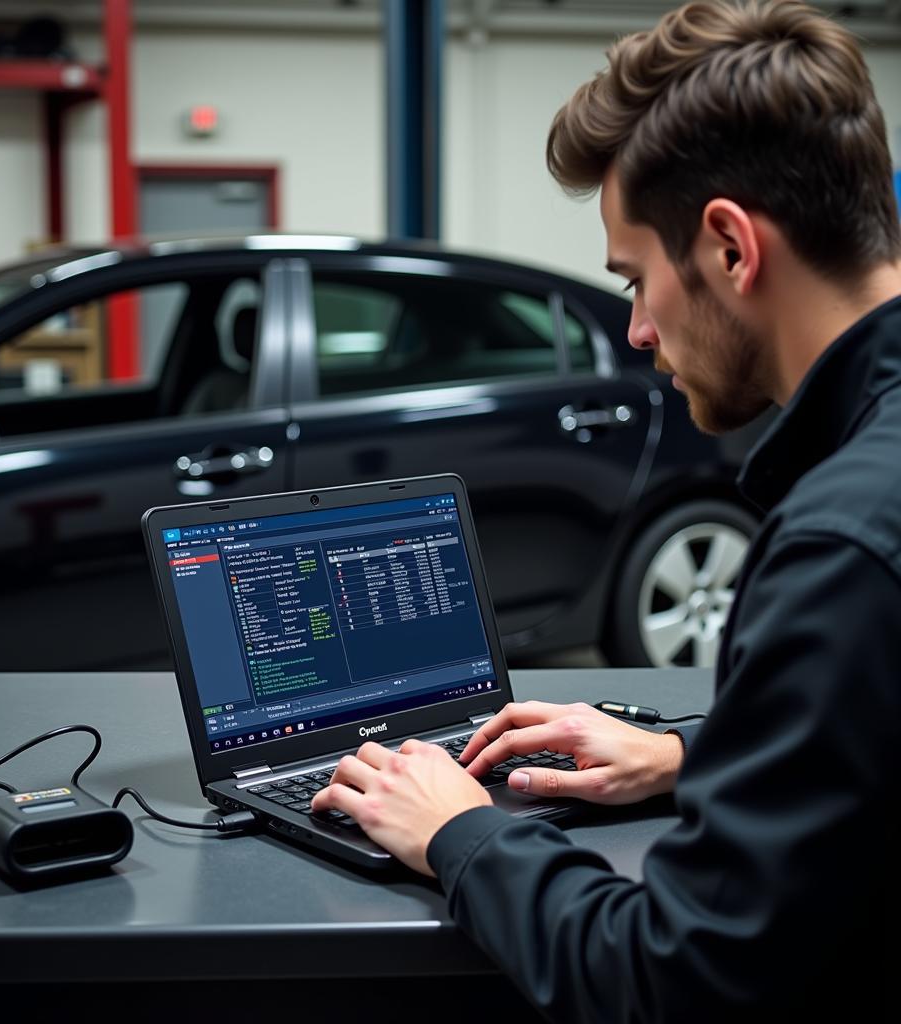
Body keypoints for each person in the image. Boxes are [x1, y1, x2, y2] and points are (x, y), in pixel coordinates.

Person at [312, 1, 901, 1018]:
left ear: (727, 246)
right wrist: (689, 755)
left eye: (633, 281)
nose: (634, 330)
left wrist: (461, 829)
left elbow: (668, 979)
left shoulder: (841, 546)